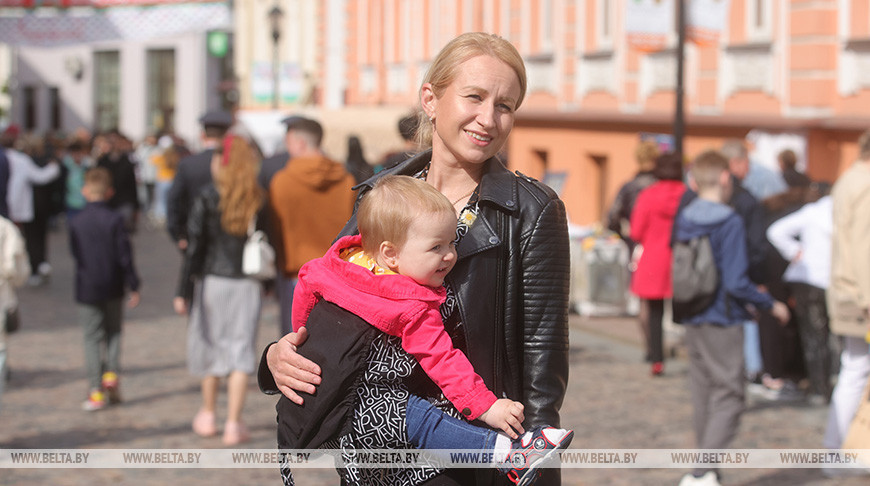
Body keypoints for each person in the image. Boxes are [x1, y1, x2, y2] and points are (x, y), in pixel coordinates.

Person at [259, 32, 570, 485]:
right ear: (431, 98)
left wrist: (537, 469)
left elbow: (544, 356)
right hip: (366, 454)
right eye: (474, 97)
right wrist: (276, 357)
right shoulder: (381, 193)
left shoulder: (530, 210)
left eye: (505, 105)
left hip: (462, 460)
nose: (489, 118)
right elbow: (340, 294)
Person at [280, 175, 573, 485]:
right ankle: (507, 454)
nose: (449, 255)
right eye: (436, 247)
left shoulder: (336, 264)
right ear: (390, 253)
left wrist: (299, 339)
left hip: (335, 416)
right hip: (378, 416)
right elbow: (444, 361)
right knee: (425, 420)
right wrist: (487, 407)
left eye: (451, 243)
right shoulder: (412, 306)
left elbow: (306, 286)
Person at [674, 150, 790, 486]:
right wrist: (769, 303)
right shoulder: (729, 220)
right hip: (723, 317)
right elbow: (737, 281)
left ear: (695, 181)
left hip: (693, 313)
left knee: (704, 394)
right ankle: (700, 471)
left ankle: (707, 471)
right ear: (725, 178)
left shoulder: (686, 216)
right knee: (731, 395)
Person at [174, 134, 268, 446]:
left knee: (211, 345)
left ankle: (208, 413)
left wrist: (183, 290)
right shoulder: (257, 197)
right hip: (247, 283)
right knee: (240, 350)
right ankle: (233, 422)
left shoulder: (206, 196)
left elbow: (194, 249)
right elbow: (269, 242)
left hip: (212, 281)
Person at [268, 116, 356, 336]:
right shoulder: (346, 179)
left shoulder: (282, 181)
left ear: (299, 143)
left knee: (295, 343)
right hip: (338, 271)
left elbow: (275, 230)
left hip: (297, 273)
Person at [68, 167, 141, 411]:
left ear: (85, 191)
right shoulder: (115, 219)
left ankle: (95, 391)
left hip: (87, 284)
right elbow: (125, 255)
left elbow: (76, 253)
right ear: (109, 192)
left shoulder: (76, 221)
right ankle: (111, 374)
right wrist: (133, 283)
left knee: (91, 337)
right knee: (113, 332)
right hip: (112, 284)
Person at [823, 129, 870, 456]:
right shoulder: (866, 184)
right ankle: (839, 449)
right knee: (855, 371)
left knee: (853, 368)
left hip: (847, 290)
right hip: (860, 295)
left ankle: (837, 449)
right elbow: (865, 249)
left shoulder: (849, 179)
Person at [767, 185, 834, 403]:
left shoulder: (811, 213)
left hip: (808, 279)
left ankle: (818, 387)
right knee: (833, 334)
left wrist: (795, 251)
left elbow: (776, 231)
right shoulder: (842, 212)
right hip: (832, 279)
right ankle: (831, 382)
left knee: (813, 335)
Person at [628, 152, 685, 376]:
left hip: (654, 257)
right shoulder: (687, 195)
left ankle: (657, 358)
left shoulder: (649, 195)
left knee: (654, 312)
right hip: (681, 258)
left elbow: (636, 230)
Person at [166, 110, 234, 251]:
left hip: (194, 234)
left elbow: (174, 199)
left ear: (202, 135)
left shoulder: (188, 164)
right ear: (227, 136)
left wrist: (178, 235)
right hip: (229, 235)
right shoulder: (235, 164)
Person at [1, 128, 61, 287]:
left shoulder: (17, 159)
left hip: (11, 206)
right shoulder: (21, 160)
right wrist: (54, 168)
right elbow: (40, 176)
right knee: (30, 238)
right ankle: (33, 267)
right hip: (18, 206)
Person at [605, 139, 659, 253]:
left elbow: (612, 217)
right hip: (658, 244)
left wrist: (623, 237)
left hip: (633, 243)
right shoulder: (661, 186)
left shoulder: (628, 187)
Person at [96, 131, 140, 234]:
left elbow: (132, 185)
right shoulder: (102, 162)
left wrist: (136, 207)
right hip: (107, 201)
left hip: (124, 201)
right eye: (111, 142)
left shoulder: (127, 162)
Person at [61, 140, 92, 221]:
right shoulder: (65, 166)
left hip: (85, 203)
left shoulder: (88, 166)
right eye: (74, 153)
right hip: (70, 203)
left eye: (79, 153)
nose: (77, 156)